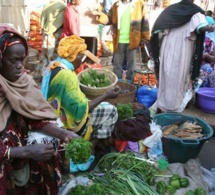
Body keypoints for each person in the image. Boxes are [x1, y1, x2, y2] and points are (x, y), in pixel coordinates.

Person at [0, 24, 79, 195]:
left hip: (21, 152)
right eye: (13, 60)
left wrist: (64, 134)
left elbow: (35, 119)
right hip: (6, 156)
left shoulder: (23, 83)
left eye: (22, 60)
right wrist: (25, 151)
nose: (20, 66)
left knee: (50, 147)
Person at [41, 35, 120, 153]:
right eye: (81, 57)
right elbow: (80, 110)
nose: (81, 61)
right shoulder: (67, 76)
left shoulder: (54, 64)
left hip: (51, 114)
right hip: (64, 123)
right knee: (110, 110)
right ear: (74, 56)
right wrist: (106, 95)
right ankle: (90, 147)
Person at [150, 0, 215, 113]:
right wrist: (211, 28)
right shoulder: (196, 13)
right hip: (183, 49)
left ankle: (164, 105)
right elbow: (202, 28)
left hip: (168, 47)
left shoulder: (171, 10)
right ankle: (172, 108)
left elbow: (158, 28)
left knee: (167, 75)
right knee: (177, 78)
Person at [99, 0, 149, 83]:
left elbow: (145, 22)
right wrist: (100, 16)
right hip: (118, 40)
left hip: (133, 40)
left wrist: (145, 37)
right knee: (117, 64)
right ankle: (118, 84)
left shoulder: (139, 4)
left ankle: (130, 84)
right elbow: (109, 19)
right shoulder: (116, 5)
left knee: (131, 65)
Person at [39, 0, 66, 79]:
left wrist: (45, 29)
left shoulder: (47, 5)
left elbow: (42, 20)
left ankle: (43, 75)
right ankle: (52, 76)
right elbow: (63, 20)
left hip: (47, 33)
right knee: (54, 57)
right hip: (56, 33)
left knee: (45, 55)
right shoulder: (62, 6)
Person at [199, 16, 215, 88]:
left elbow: (213, 57)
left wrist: (206, 56)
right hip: (197, 67)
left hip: (208, 67)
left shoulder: (210, 41)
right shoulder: (195, 39)